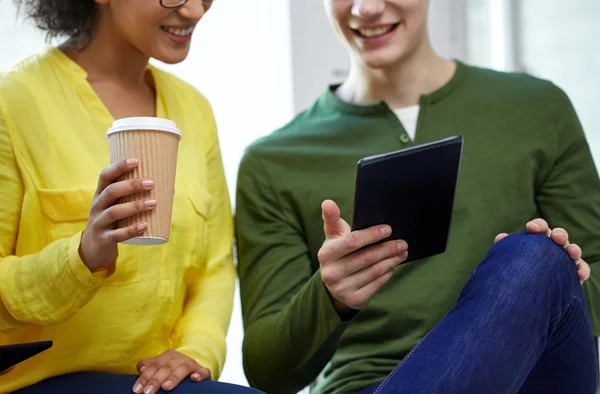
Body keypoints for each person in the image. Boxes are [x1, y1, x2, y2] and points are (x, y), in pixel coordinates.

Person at [235, 0, 600, 393]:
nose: (367, 8)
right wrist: (330, 296)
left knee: (533, 256)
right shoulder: (272, 161)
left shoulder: (539, 109)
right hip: (371, 384)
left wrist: (529, 287)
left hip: (526, 377)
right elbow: (268, 373)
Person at [0, 0, 261, 393]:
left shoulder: (194, 110)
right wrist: (83, 257)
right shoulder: (14, 103)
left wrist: (196, 351)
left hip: (157, 382)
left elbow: (217, 266)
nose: (194, 11)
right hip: (38, 381)